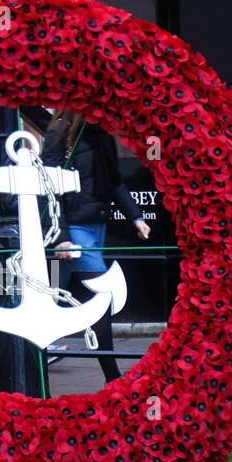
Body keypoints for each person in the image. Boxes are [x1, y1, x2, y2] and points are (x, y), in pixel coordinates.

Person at [42, 110, 150, 385]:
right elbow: (49, 189)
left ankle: (34, 363)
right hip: (75, 230)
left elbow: (114, 181)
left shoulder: (100, 134)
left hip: (95, 225)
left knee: (53, 297)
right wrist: (62, 236)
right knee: (100, 299)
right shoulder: (60, 133)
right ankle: (113, 378)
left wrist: (136, 217)